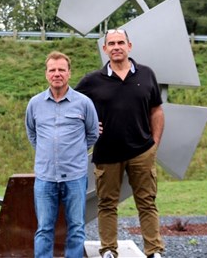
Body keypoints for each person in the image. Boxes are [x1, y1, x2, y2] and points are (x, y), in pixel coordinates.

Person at [76, 28, 165, 258]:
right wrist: (89, 127)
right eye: (111, 43)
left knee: (147, 202)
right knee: (106, 204)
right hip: (107, 152)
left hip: (142, 151)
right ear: (105, 49)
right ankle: (108, 250)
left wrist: (154, 143)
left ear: (129, 46)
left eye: (120, 42)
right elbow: (72, 107)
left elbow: (156, 110)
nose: (116, 47)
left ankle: (154, 251)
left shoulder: (146, 75)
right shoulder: (92, 80)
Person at [25, 51, 99, 258]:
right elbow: (32, 133)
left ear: (69, 73)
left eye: (61, 70)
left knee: (76, 227)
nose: (57, 74)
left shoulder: (84, 103)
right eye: (52, 70)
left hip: (75, 177)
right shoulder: (35, 104)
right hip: (45, 177)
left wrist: (74, 153)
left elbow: (92, 134)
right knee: (44, 228)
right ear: (46, 74)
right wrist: (47, 153)